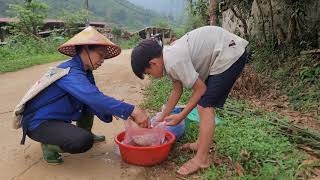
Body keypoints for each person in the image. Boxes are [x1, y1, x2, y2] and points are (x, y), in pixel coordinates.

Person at [15, 26, 149, 164]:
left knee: (89, 103)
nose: (103, 60)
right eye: (100, 54)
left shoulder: (85, 72)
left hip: (57, 118)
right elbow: (94, 98)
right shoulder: (69, 73)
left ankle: (84, 131)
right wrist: (132, 110)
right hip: (39, 123)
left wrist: (112, 110)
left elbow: (94, 99)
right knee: (83, 141)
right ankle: (49, 146)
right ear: (85, 49)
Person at [131, 26, 249, 175]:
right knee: (204, 104)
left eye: (148, 73)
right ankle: (201, 143)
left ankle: (202, 159)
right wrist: (161, 117)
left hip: (230, 53)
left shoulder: (173, 60)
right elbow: (177, 90)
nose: (151, 76)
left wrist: (181, 115)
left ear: (154, 63)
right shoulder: (167, 57)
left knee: (204, 107)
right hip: (223, 50)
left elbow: (200, 89)